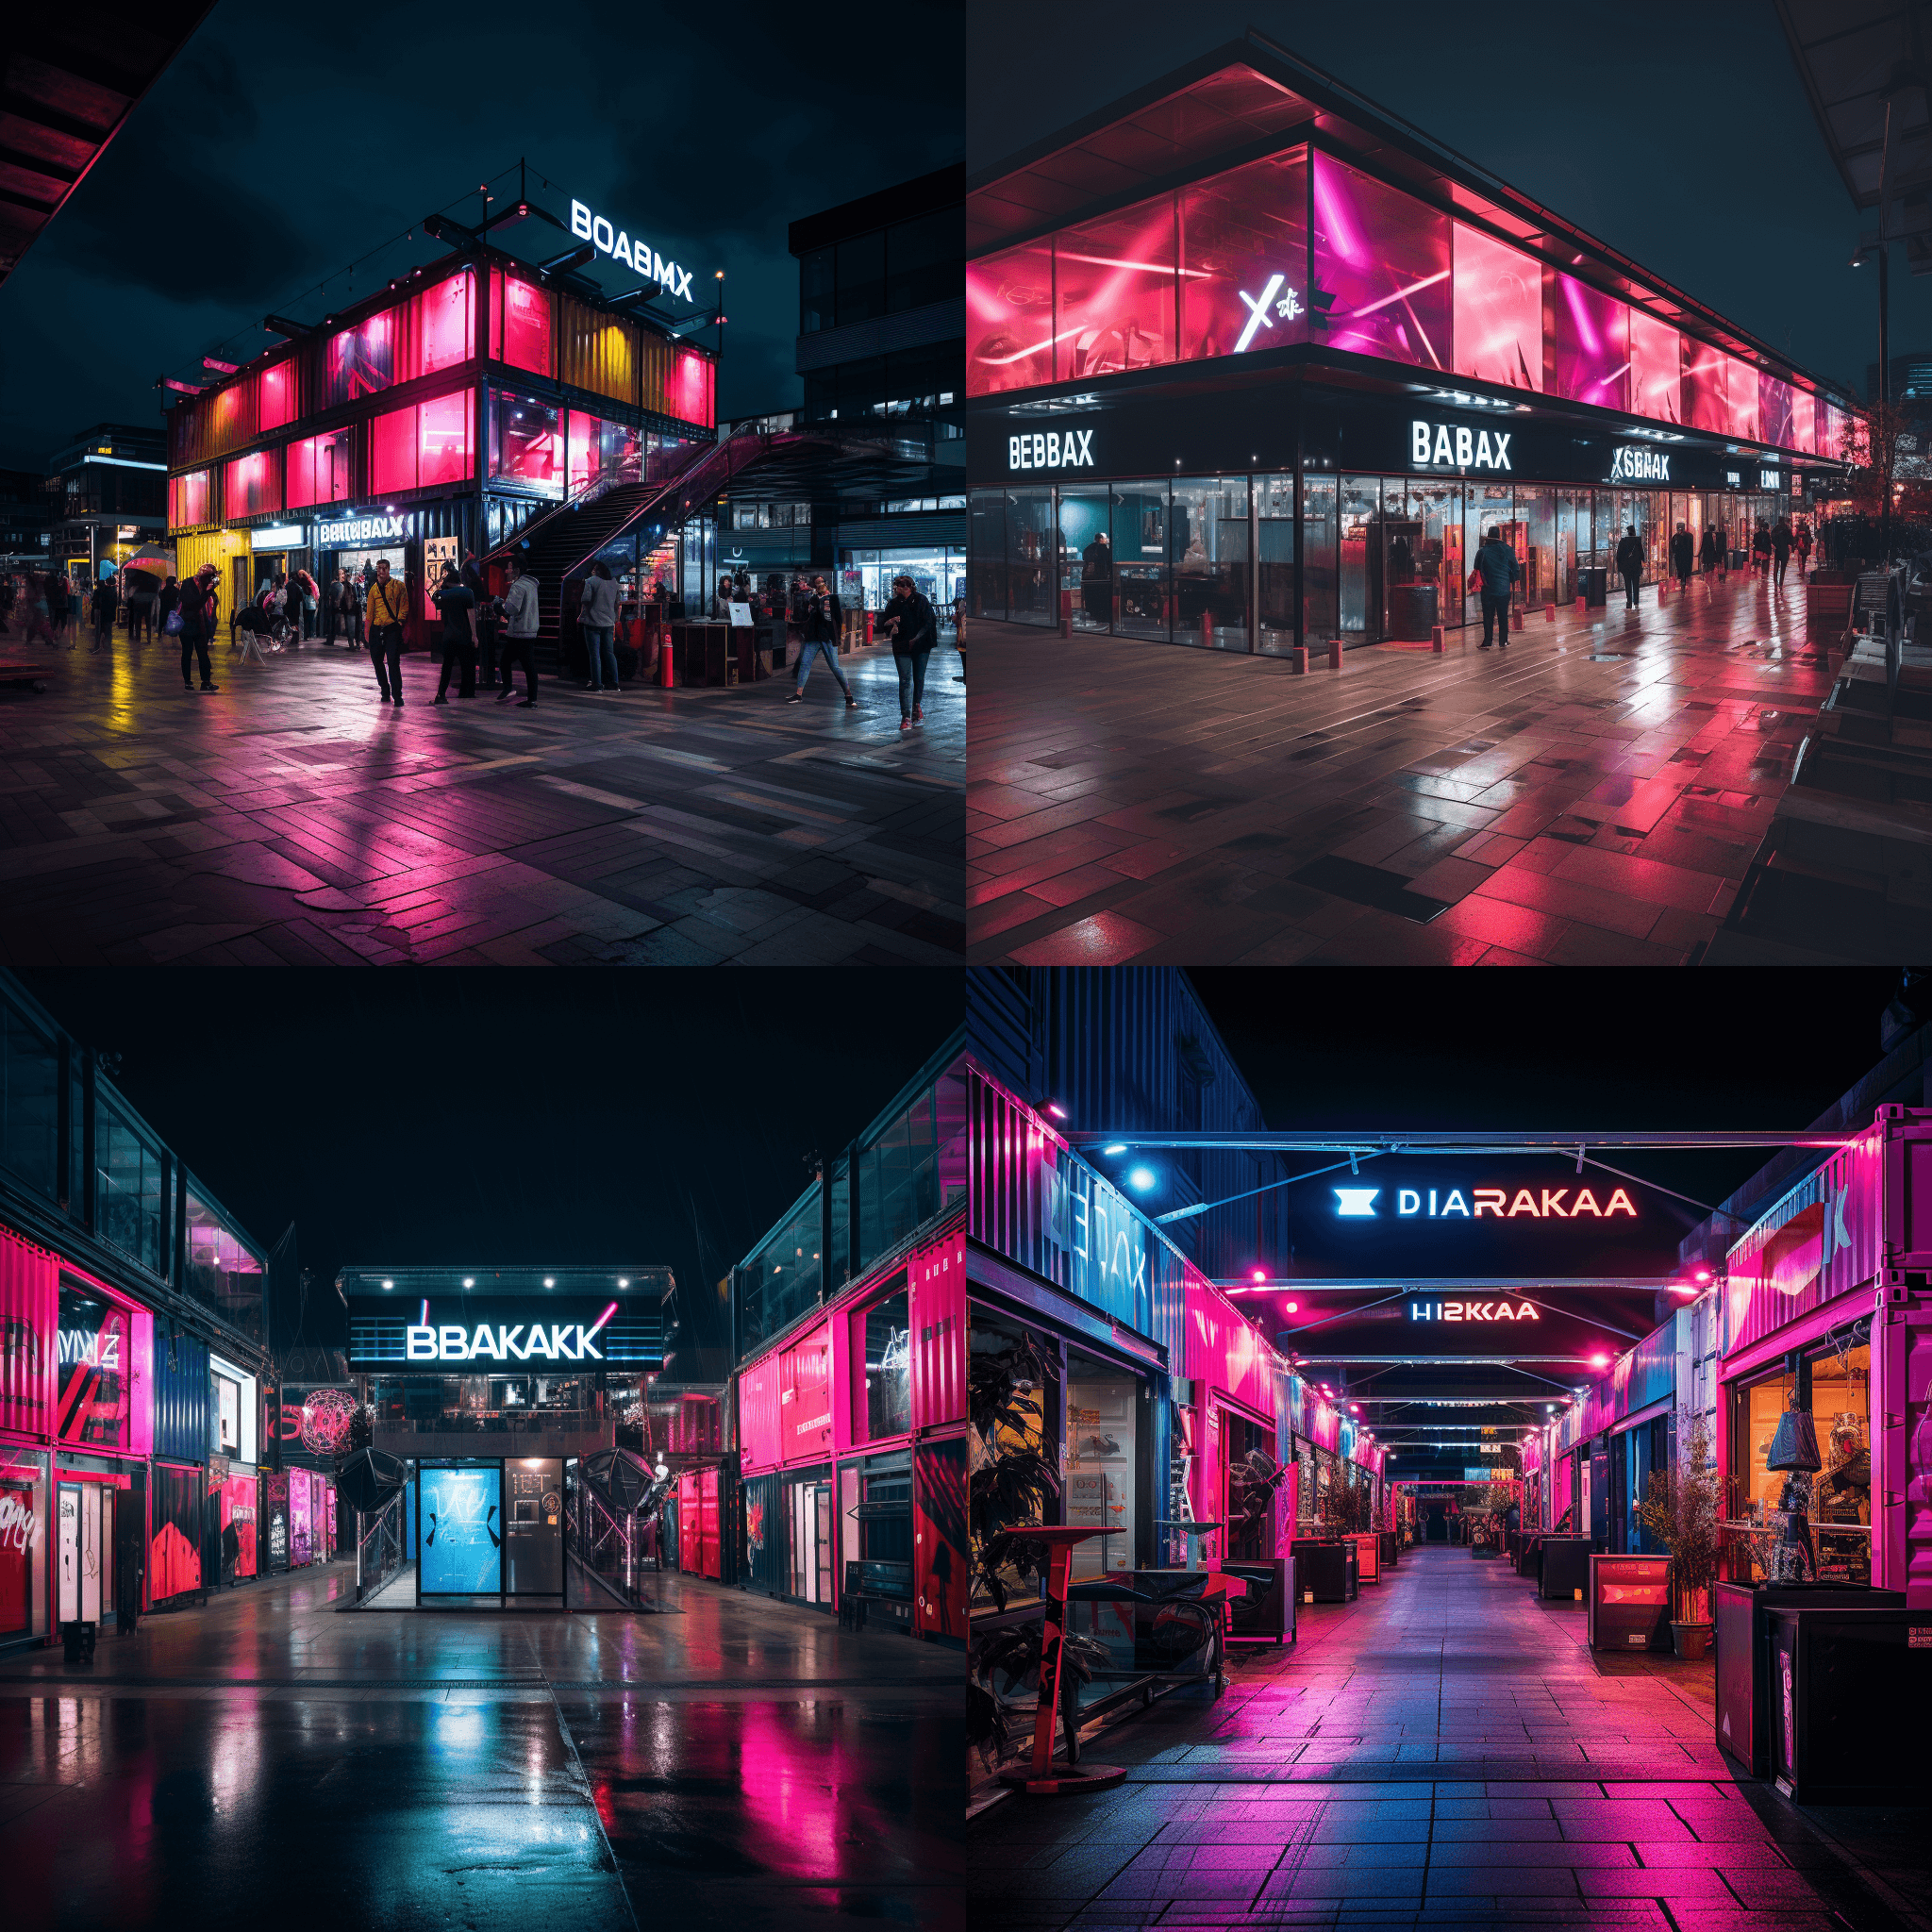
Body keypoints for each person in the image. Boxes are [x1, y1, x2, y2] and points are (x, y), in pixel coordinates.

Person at [881, 574, 938, 731]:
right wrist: (890, 623)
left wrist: (916, 638)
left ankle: (916, 707)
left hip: (921, 646)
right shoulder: (893, 603)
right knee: (905, 680)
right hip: (901, 645)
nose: (895, 589)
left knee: (919, 678)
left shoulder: (921, 600)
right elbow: (884, 623)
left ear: (905, 587)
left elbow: (928, 623)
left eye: (897, 586)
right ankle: (906, 716)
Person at [789, 575, 857, 706]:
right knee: (805, 664)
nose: (820, 585)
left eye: (821, 582)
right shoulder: (813, 599)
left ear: (825, 583)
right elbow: (807, 615)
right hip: (813, 637)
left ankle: (848, 695)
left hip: (827, 637)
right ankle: (798, 694)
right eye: (817, 583)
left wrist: (837, 637)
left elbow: (837, 618)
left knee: (835, 667)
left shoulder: (832, 598)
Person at [430, 562, 477, 703]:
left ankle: (441, 695)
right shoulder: (468, 592)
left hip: (449, 636)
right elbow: (471, 615)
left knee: (447, 666)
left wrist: (441, 588)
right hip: (464, 636)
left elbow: (435, 599)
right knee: (467, 666)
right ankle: (467, 693)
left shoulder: (443, 594)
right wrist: (474, 635)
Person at [495, 557, 539, 707]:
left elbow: (512, 609)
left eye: (510, 567)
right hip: (530, 629)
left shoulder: (518, 586)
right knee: (527, 665)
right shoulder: (531, 585)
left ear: (517, 570)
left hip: (519, 631)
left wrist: (499, 607)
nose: (507, 571)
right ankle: (530, 698)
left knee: (506, 661)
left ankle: (511, 690)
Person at [365, 557, 409, 705]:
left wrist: (399, 623)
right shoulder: (373, 589)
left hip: (392, 628)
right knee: (377, 662)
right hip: (376, 629)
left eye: (384, 568)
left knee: (393, 662)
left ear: (389, 570)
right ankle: (385, 690)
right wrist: (367, 633)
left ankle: (397, 695)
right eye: (378, 568)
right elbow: (370, 613)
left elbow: (404, 606)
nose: (381, 572)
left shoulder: (399, 586)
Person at [1471, 525, 1522, 648]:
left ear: (1488, 536)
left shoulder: (1482, 552)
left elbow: (1476, 568)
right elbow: (1516, 569)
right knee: (1503, 616)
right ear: (1499, 536)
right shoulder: (1508, 550)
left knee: (1488, 617)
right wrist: (1509, 580)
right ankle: (1503, 641)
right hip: (1503, 590)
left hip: (1487, 589)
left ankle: (1487, 641)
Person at [176, 564, 221, 691]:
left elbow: (211, 607)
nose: (211, 580)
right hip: (188, 625)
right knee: (187, 653)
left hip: (201, 625)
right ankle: (188, 681)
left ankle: (206, 682)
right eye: (210, 577)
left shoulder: (206, 587)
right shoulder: (188, 584)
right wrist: (206, 592)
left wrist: (210, 591)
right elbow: (193, 604)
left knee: (203, 654)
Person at [578, 560, 620, 693]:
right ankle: (615, 683)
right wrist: (615, 619)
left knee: (594, 654)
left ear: (596, 570)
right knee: (609, 653)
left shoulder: (591, 581)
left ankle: (597, 684)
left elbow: (585, 600)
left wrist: (580, 616)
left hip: (593, 622)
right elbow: (617, 603)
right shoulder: (614, 583)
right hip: (609, 623)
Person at [463, 558, 500, 689]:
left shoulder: (472, 582)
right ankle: (488, 676)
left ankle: (483, 676)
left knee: (482, 647)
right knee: (487, 647)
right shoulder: (476, 581)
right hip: (483, 617)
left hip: (479, 617)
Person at [1081, 529, 1113, 627]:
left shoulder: (1089, 548)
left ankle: (1093, 615)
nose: (1107, 539)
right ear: (1101, 539)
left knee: (1091, 598)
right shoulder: (1103, 548)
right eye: (1105, 538)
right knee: (1101, 598)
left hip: (1089, 578)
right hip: (1100, 577)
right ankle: (1102, 617)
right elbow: (1107, 561)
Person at [1615, 525, 1643, 609]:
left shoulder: (1623, 541)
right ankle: (1636, 601)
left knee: (1628, 585)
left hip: (1626, 568)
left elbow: (1618, 555)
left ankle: (1629, 602)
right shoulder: (1638, 541)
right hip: (1636, 567)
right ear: (1634, 532)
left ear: (1628, 532)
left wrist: (1620, 566)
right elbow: (1642, 555)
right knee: (1636, 584)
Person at [90, 575, 118, 651]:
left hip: (103, 614)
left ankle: (98, 646)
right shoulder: (114, 592)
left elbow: (98, 602)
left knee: (99, 631)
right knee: (108, 631)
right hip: (110, 615)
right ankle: (107, 646)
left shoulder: (103, 591)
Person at [1670, 523, 1694, 591]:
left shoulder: (1676, 537)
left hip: (1680, 556)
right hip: (1685, 556)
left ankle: (1682, 581)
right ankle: (1683, 581)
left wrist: (1674, 552)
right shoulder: (1689, 536)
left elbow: (1672, 547)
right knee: (1684, 569)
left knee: (1681, 569)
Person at [1772, 515, 1793, 590]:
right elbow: (1791, 540)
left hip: (1778, 549)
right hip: (1785, 549)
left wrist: (1775, 544)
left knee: (1776, 565)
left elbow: (1772, 538)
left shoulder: (1776, 529)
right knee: (1783, 567)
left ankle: (1775, 580)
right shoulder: (1787, 529)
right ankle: (1781, 582)